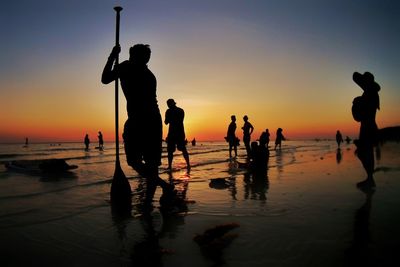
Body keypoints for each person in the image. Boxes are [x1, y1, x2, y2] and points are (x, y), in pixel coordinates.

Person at [102, 44, 174, 205]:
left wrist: (113, 56)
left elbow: (105, 79)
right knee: (146, 163)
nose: (146, 59)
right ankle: (153, 197)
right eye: (145, 56)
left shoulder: (128, 67)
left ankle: (153, 197)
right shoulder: (148, 74)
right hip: (152, 120)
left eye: (146, 57)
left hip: (141, 120)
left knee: (141, 161)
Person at [352, 71, 380, 188]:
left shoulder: (370, 93)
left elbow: (364, 113)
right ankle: (370, 178)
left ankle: (370, 178)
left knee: (364, 152)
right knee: (365, 152)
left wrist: (358, 101)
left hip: (368, 126)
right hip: (367, 125)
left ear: (367, 82)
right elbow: (355, 76)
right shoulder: (369, 92)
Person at [164, 98, 190, 170]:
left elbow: (166, 122)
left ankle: (170, 166)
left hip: (173, 133)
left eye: (169, 104)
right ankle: (188, 164)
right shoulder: (181, 110)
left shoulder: (169, 111)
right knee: (182, 149)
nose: (168, 106)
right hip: (180, 132)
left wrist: (169, 117)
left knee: (170, 151)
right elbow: (180, 120)